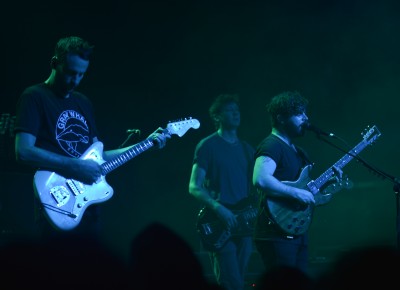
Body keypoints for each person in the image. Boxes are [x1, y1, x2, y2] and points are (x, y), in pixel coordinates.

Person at [13, 36, 170, 242]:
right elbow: (23, 151)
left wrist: (146, 144)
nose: (75, 81)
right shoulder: (34, 96)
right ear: (54, 63)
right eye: (70, 73)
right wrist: (75, 167)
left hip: (88, 207)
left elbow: (100, 156)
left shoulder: (83, 102)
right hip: (57, 200)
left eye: (81, 74)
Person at [252, 91, 343, 276]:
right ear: (281, 118)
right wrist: (296, 193)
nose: (306, 117)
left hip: (296, 229)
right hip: (275, 233)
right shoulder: (272, 145)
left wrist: (331, 181)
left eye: (305, 112)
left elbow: (309, 192)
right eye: (299, 113)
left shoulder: (299, 152)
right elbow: (260, 179)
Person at [188, 94, 256, 290]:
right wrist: (219, 208)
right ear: (217, 116)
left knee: (239, 280)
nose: (236, 113)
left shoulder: (248, 150)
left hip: (244, 224)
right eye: (230, 110)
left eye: (237, 110)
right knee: (231, 283)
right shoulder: (207, 146)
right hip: (219, 223)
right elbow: (194, 186)